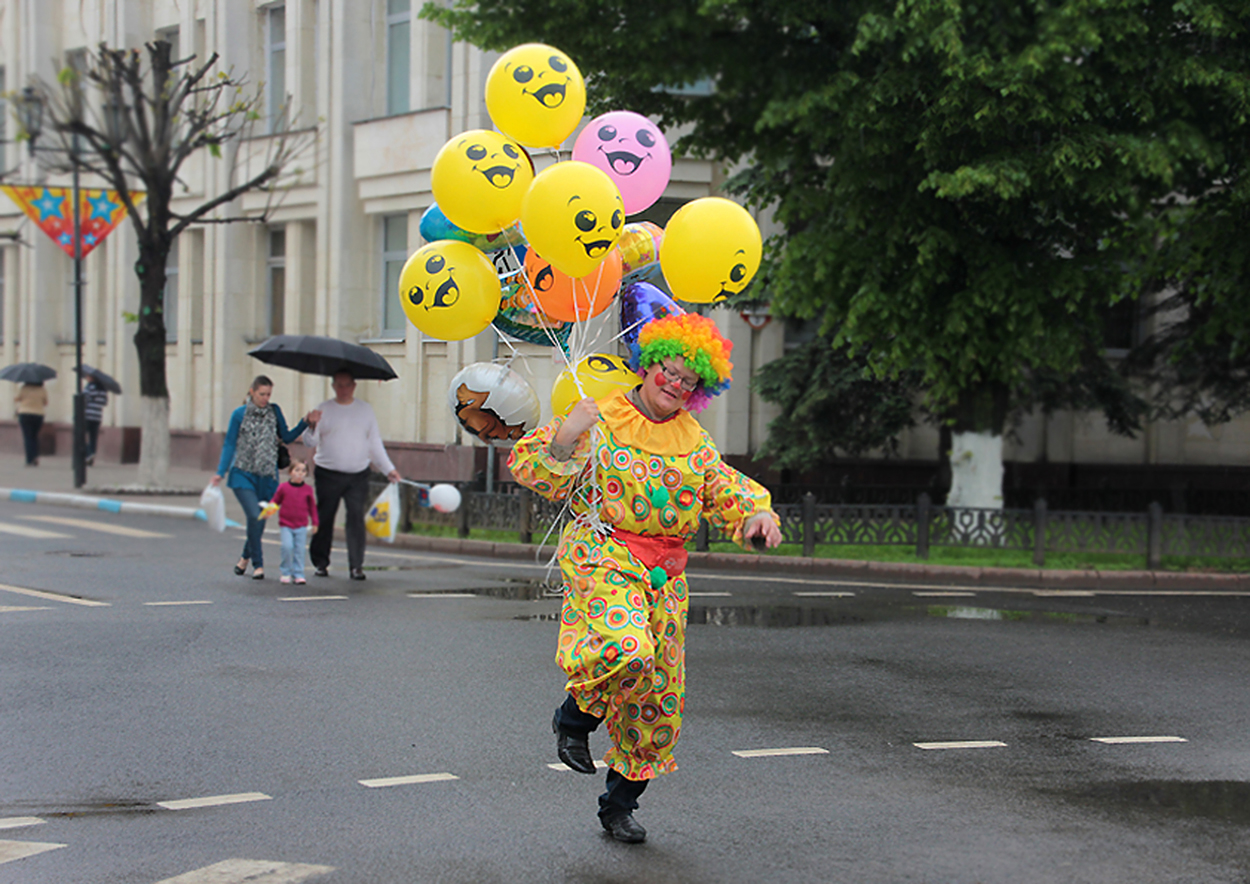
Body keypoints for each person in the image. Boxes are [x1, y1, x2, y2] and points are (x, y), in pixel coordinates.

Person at [508, 313, 783, 844]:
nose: (675, 386)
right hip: (605, 554)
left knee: (657, 698)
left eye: (689, 382)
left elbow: (726, 488)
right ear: (648, 364)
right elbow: (533, 469)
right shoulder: (603, 416)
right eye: (669, 372)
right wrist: (565, 436)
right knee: (624, 646)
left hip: (665, 573)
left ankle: (620, 805)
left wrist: (754, 514)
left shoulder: (693, 440)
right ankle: (574, 718)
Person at [302, 370, 401, 581]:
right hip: (328, 473)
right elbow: (310, 442)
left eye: (347, 385)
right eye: (339, 385)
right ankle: (321, 562)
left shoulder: (365, 410)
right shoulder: (324, 409)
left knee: (356, 517)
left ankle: (356, 565)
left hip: (357, 474)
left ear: (354, 386)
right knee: (325, 516)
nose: (343, 389)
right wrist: (310, 424)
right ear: (333, 386)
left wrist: (388, 469)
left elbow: (374, 443)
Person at [212, 375, 311, 580]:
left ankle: (244, 559)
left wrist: (305, 423)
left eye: (268, 394)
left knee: (260, 520)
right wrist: (220, 472)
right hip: (242, 473)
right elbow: (230, 444)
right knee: (253, 514)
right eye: (262, 394)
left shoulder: (274, 412)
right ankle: (258, 565)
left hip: (268, 477)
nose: (265, 398)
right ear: (252, 392)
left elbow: (287, 437)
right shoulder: (239, 414)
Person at [270, 459, 319, 585]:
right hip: (286, 524)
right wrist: (268, 511)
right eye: (297, 470)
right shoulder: (283, 488)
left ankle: (298, 573)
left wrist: (315, 522)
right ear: (290, 472)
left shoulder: (308, 490)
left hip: (301, 525)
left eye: (303, 471)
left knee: (299, 550)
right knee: (287, 546)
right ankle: (285, 571)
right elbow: (275, 501)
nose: (300, 474)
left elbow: (312, 507)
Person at [15, 381, 48, 467]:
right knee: (34, 436)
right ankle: (35, 456)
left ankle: (29, 459)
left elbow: (17, 398)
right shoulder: (42, 390)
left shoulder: (24, 388)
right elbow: (46, 403)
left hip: (25, 414)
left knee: (27, 437)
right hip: (38, 414)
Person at [83, 376, 109, 466]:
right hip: (97, 416)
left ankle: (88, 453)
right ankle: (92, 453)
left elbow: (83, 399)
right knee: (93, 437)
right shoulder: (103, 390)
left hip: (87, 415)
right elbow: (105, 402)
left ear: (92, 378)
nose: (86, 378)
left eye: (88, 376)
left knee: (82, 436)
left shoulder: (89, 387)